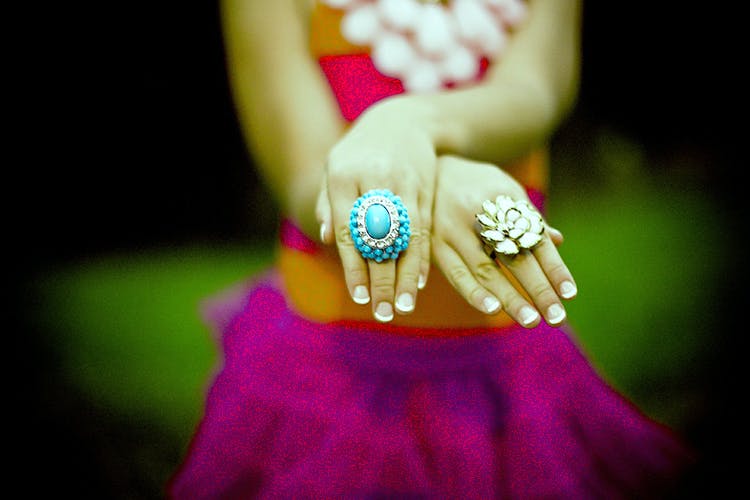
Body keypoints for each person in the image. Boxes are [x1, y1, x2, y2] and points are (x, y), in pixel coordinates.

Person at [168, 0, 694, 497]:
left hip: (508, 362)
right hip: (329, 363)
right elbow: (304, 179)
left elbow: (537, 90)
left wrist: (403, 124)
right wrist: (433, 189)